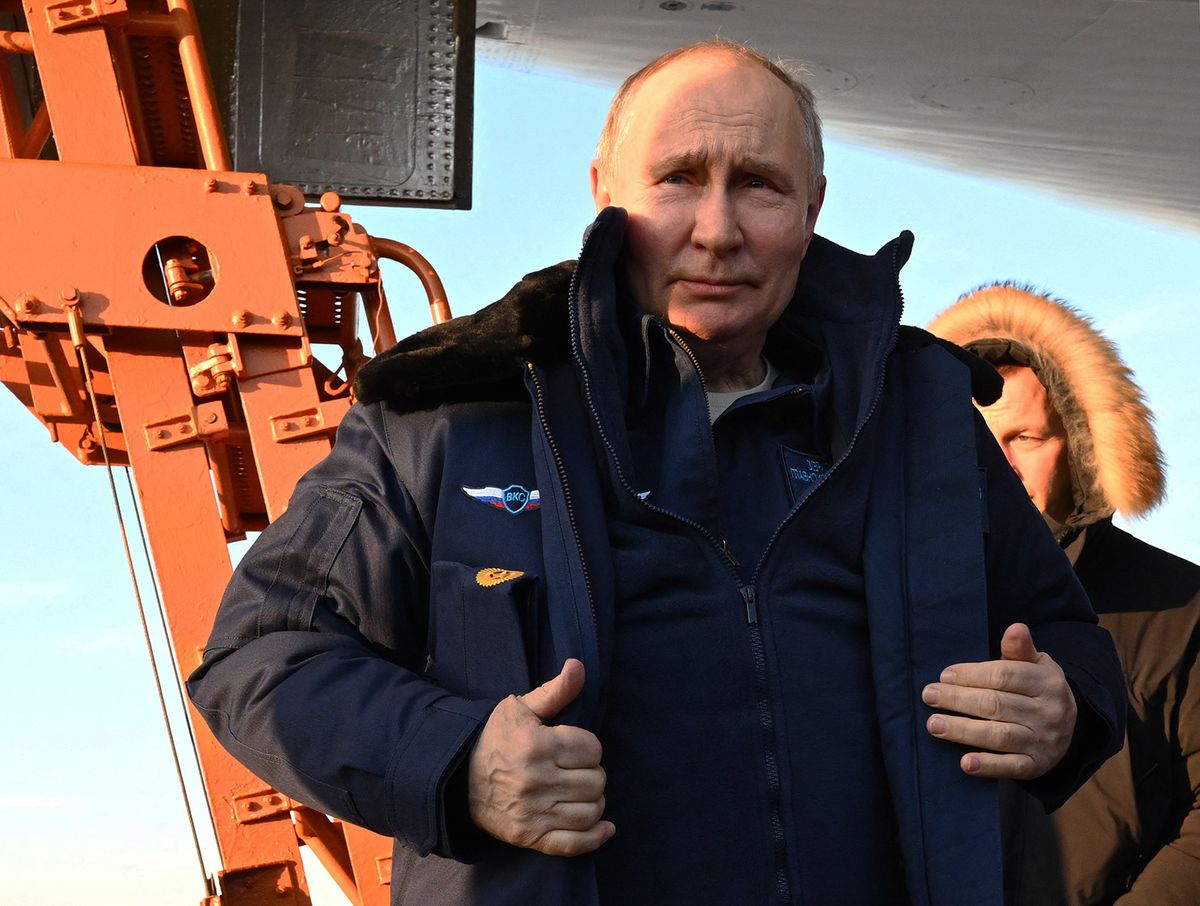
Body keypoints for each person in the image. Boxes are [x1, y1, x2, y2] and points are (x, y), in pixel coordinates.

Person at [187, 42, 1125, 905]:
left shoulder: (922, 418)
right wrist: (458, 758)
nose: (716, 230)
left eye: (758, 185)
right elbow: (259, 656)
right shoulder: (448, 412)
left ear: (813, 210)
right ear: (605, 192)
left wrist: (1063, 710)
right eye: (678, 179)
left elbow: (1072, 644)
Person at [929, 283, 1200, 905]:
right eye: (979, 445)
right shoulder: (889, 603)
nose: (1001, 470)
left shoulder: (1183, 608)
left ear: (1079, 446)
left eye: (1025, 438)